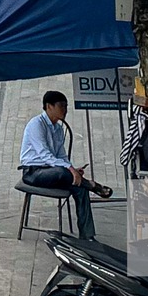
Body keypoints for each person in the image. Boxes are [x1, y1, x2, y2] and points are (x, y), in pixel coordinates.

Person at [20, 90, 108, 241]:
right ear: (49, 106)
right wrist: (69, 170)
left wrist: (73, 169)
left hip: (53, 170)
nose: (65, 110)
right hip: (34, 173)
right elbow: (45, 155)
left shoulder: (59, 129)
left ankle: (87, 237)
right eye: (61, 106)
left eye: (66, 106)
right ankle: (91, 184)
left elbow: (61, 156)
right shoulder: (36, 125)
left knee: (80, 189)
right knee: (62, 172)